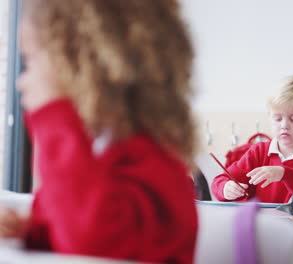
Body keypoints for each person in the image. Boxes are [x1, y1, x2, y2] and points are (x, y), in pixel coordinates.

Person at [0, 0, 198, 263]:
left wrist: (55, 116)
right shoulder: (94, 152)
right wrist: (31, 229)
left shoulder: (156, 165)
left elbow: (94, 242)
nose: (21, 81)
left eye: (33, 61)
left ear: (84, 66)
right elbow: (70, 233)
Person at [211, 75, 293, 203]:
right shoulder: (258, 152)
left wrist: (284, 174)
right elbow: (220, 180)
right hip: (259, 222)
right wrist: (226, 188)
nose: (284, 125)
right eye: (277, 119)